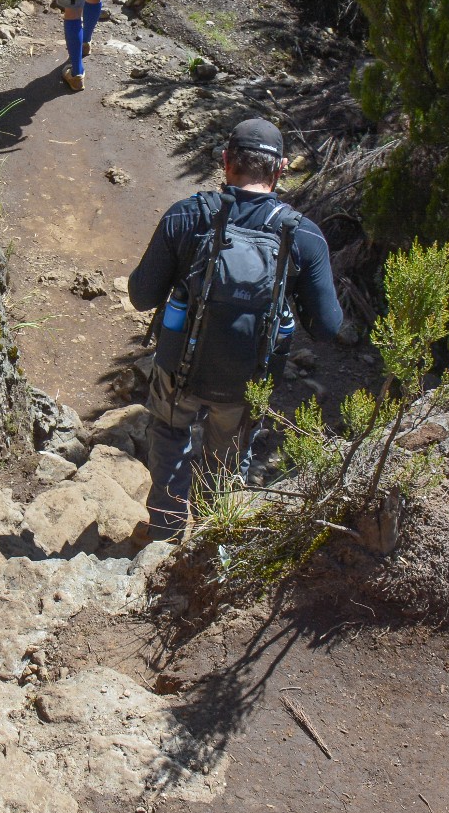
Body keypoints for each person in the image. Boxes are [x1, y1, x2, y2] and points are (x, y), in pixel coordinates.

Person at [126, 118, 343, 536]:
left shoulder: (187, 216)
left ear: (226, 163)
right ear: (280, 171)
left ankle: (165, 536)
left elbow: (141, 295)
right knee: (226, 458)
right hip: (247, 381)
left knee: (171, 435)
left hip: (180, 370)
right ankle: (212, 544)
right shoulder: (304, 237)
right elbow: (328, 328)